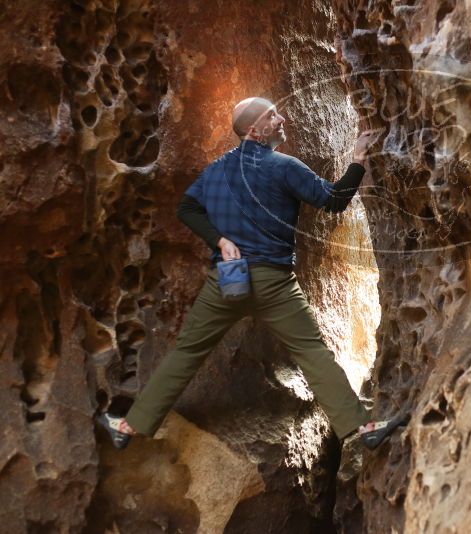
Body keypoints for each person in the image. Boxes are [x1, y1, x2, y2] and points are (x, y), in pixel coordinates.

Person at [96, 96, 407, 450]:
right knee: (312, 354)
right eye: (272, 115)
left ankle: (128, 426)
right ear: (254, 130)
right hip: (275, 283)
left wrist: (220, 239)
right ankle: (361, 429)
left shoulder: (216, 170)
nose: (282, 117)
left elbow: (186, 208)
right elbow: (334, 200)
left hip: (227, 282)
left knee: (186, 353)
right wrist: (357, 161)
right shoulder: (284, 167)